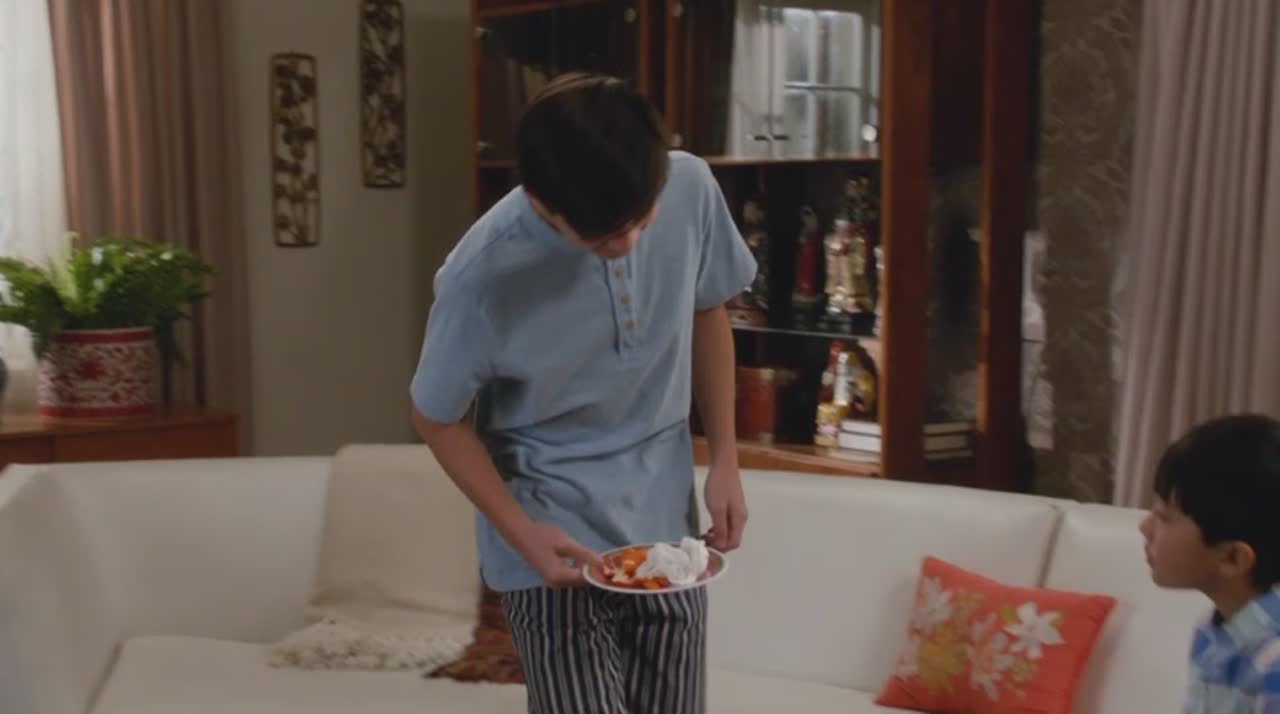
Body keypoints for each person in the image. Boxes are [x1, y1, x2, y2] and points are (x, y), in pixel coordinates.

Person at [409, 72, 756, 714]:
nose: (627, 245)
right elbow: (436, 417)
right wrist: (520, 533)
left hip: (666, 525)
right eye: (602, 238)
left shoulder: (689, 186)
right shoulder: (479, 276)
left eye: (641, 222)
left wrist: (726, 459)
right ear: (541, 200)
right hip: (551, 532)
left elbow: (708, 308)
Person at [1140, 413, 1280, 714]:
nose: (1144, 527)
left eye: (1164, 517)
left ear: (1233, 558)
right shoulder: (1210, 630)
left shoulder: (1273, 664)